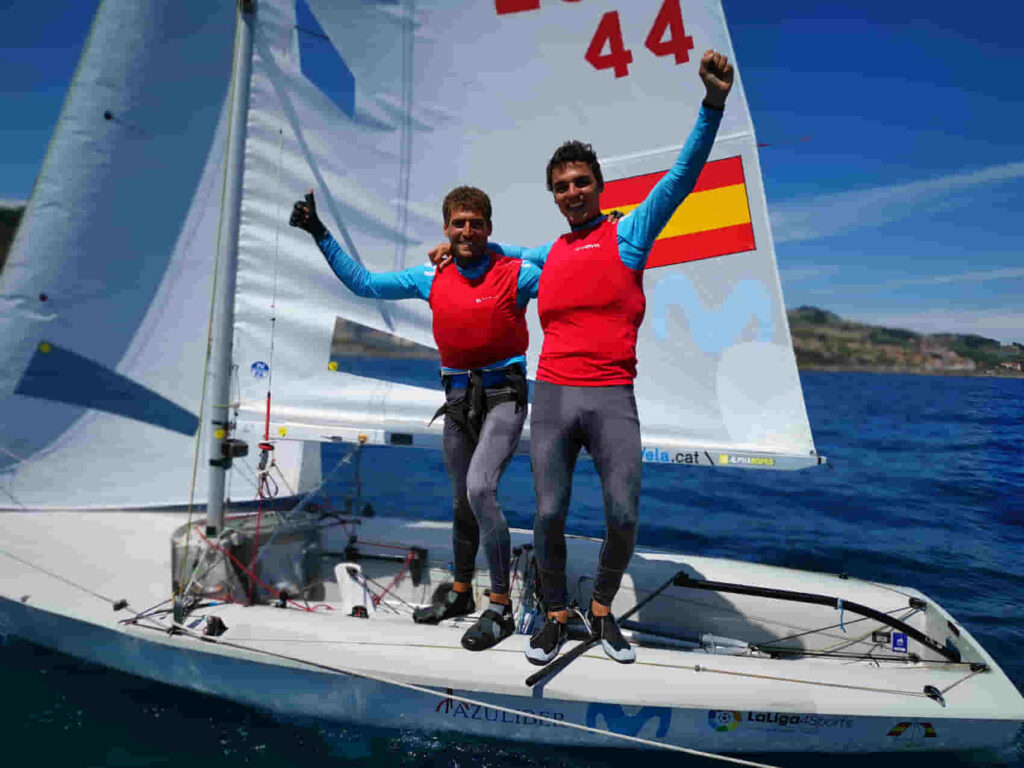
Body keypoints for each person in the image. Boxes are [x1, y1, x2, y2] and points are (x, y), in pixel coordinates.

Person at [431, 49, 733, 666]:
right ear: (554, 195)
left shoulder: (629, 232)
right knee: (548, 515)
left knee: (623, 513)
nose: (572, 192)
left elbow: (682, 176)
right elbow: (487, 248)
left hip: (611, 395)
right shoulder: (546, 256)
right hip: (553, 395)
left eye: (581, 183)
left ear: (599, 186)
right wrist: (452, 249)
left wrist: (712, 105)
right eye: (562, 186)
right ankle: (555, 616)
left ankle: (600, 611)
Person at [289, 186, 539, 651]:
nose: (467, 230)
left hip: (505, 394)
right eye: (459, 223)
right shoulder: (430, 276)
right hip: (458, 397)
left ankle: (500, 605)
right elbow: (363, 283)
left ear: (489, 229)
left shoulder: (517, 273)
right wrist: (317, 230)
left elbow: (562, 266)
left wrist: (603, 235)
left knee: (481, 489)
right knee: (461, 501)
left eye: (476, 223)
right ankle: (462, 593)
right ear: (445, 227)